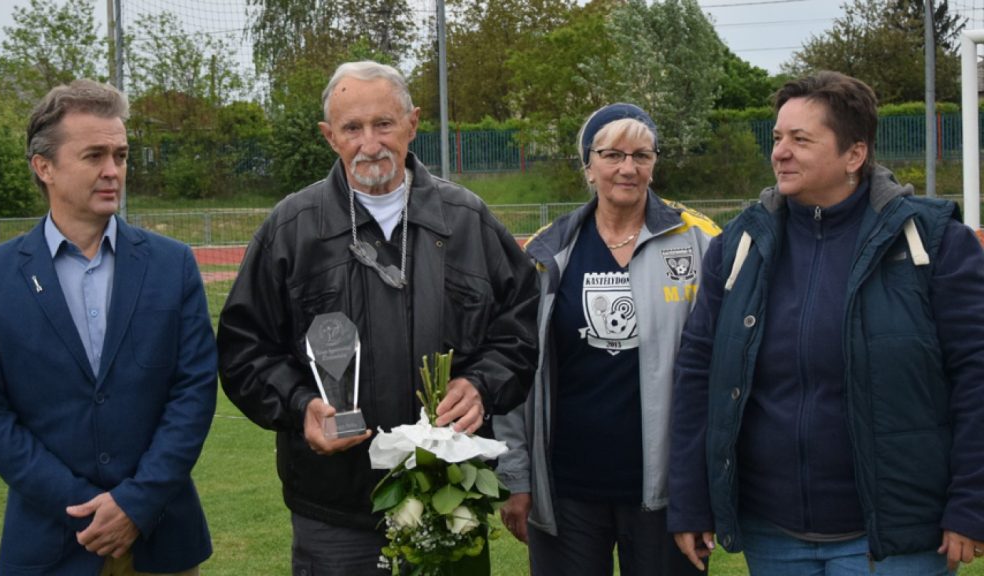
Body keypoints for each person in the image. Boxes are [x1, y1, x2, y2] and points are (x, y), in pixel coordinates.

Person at [216, 60, 539, 576]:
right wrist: (301, 408)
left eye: (384, 124)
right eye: (352, 128)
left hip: (448, 498)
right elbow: (243, 350)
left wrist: (482, 385)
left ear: (412, 123)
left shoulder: (469, 222)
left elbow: (520, 331)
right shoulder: (291, 230)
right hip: (337, 512)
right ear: (329, 136)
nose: (370, 143)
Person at [668, 71, 984, 575]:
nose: (780, 152)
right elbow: (697, 374)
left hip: (895, 540)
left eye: (800, 139)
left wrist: (972, 500)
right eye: (776, 138)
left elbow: (976, 376)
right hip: (773, 536)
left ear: (854, 155)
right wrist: (688, 497)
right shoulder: (738, 245)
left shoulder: (935, 241)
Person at [0, 79, 217, 575]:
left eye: (120, 155)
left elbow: (194, 391)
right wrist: (83, 506)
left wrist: (136, 504)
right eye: (94, 156)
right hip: (50, 543)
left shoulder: (172, 264)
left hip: (161, 540)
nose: (112, 171)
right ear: (44, 167)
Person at [492, 103, 719, 575]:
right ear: (588, 166)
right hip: (567, 492)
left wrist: (702, 487)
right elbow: (517, 368)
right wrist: (515, 474)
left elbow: (718, 371)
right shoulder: (546, 251)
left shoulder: (698, 244)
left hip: (664, 495)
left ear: (655, 163)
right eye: (612, 154)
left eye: (642, 155)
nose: (628, 168)